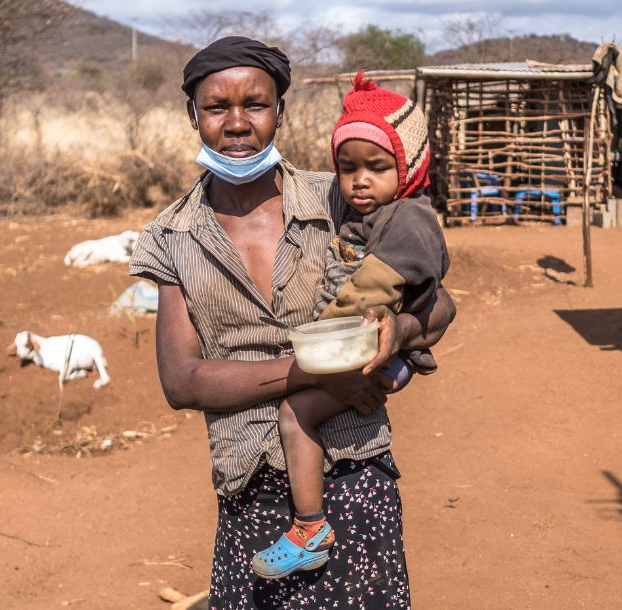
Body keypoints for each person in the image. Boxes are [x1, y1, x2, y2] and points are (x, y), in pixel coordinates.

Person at [128, 37, 455, 609]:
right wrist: (314, 372)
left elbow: (440, 304)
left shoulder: (342, 197)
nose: (236, 123)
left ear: (282, 110)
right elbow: (182, 381)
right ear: (192, 116)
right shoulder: (169, 238)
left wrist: (397, 333)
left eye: (254, 104)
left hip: (354, 472)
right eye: (215, 107)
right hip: (248, 488)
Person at [251, 73, 449, 581]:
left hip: (375, 352)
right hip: (376, 351)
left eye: (377, 168)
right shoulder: (376, 212)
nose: (359, 180)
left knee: (295, 413)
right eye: (348, 168)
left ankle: (310, 528)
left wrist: (319, 348)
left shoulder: (407, 220)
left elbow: (371, 293)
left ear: (409, 168)